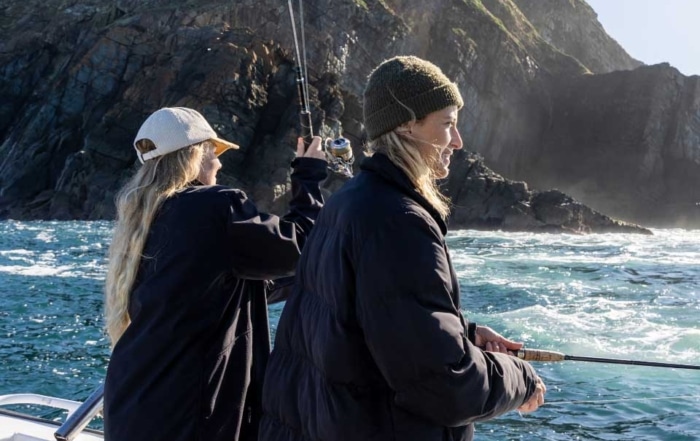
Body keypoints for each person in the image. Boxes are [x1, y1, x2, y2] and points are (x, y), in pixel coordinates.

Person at [259, 56, 546, 441]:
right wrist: (521, 378)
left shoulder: (346, 203)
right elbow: (445, 385)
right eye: (447, 124)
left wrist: (465, 332)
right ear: (407, 124)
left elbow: (368, 319)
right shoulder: (399, 221)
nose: (457, 141)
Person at [103, 106, 327, 441]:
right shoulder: (216, 206)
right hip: (187, 418)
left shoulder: (147, 217)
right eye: (213, 151)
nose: (219, 163)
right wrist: (308, 175)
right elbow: (304, 246)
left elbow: (224, 288)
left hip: (132, 407)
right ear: (194, 155)